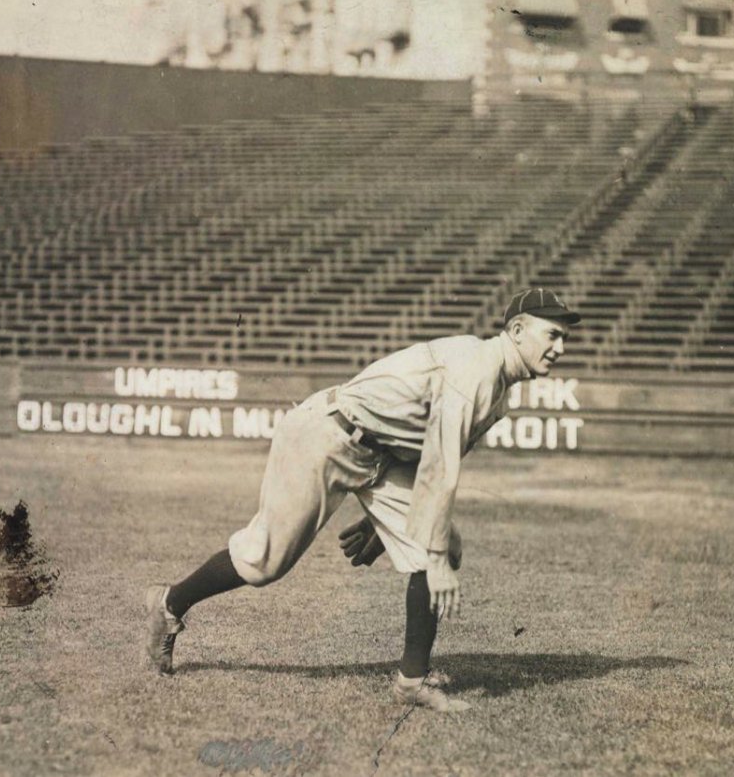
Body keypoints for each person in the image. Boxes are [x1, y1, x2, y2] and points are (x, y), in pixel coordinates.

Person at [146, 288, 580, 711]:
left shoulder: (500, 389)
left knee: (442, 546)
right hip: (328, 435)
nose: (560, 346)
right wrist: (433, 554)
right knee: (264, 561)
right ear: (518, 329)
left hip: (381, 456)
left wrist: (388, 522)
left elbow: (431, 454)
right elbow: (441, 467)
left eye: (564, 337)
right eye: (553, 334)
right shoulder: (478, 368)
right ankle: (170, 603)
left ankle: (411, 685)